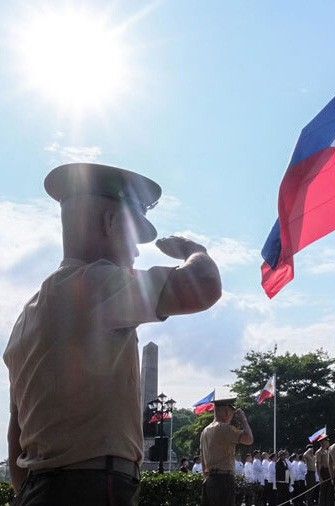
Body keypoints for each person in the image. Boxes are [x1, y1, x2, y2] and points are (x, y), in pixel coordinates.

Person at [3, 163, 222, 505]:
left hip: (41, 489)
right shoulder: (93, 284)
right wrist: (195, 251)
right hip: (95, 489)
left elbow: (16, 434)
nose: (135, 253)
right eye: (133, 238)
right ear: (110, 222)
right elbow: (204, 286)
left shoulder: (26, 318)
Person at [200, 395, 254, 506]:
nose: (232, 416)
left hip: (209, 480)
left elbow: (202, 460)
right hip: (224, 479)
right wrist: (244, 420)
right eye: (232, 413)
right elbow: (249, 439)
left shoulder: (205, 431)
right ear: (226, 411)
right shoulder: (223, 428)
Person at [315, 435, 334, 506]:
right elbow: (318, 465)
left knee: (329, 492)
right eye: (327, 441)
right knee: (323, 492)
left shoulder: (327, 451)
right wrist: (319, 477)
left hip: (329, 472)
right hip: (323, 473)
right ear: (323, 442)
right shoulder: (319, 452)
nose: (328, 442)